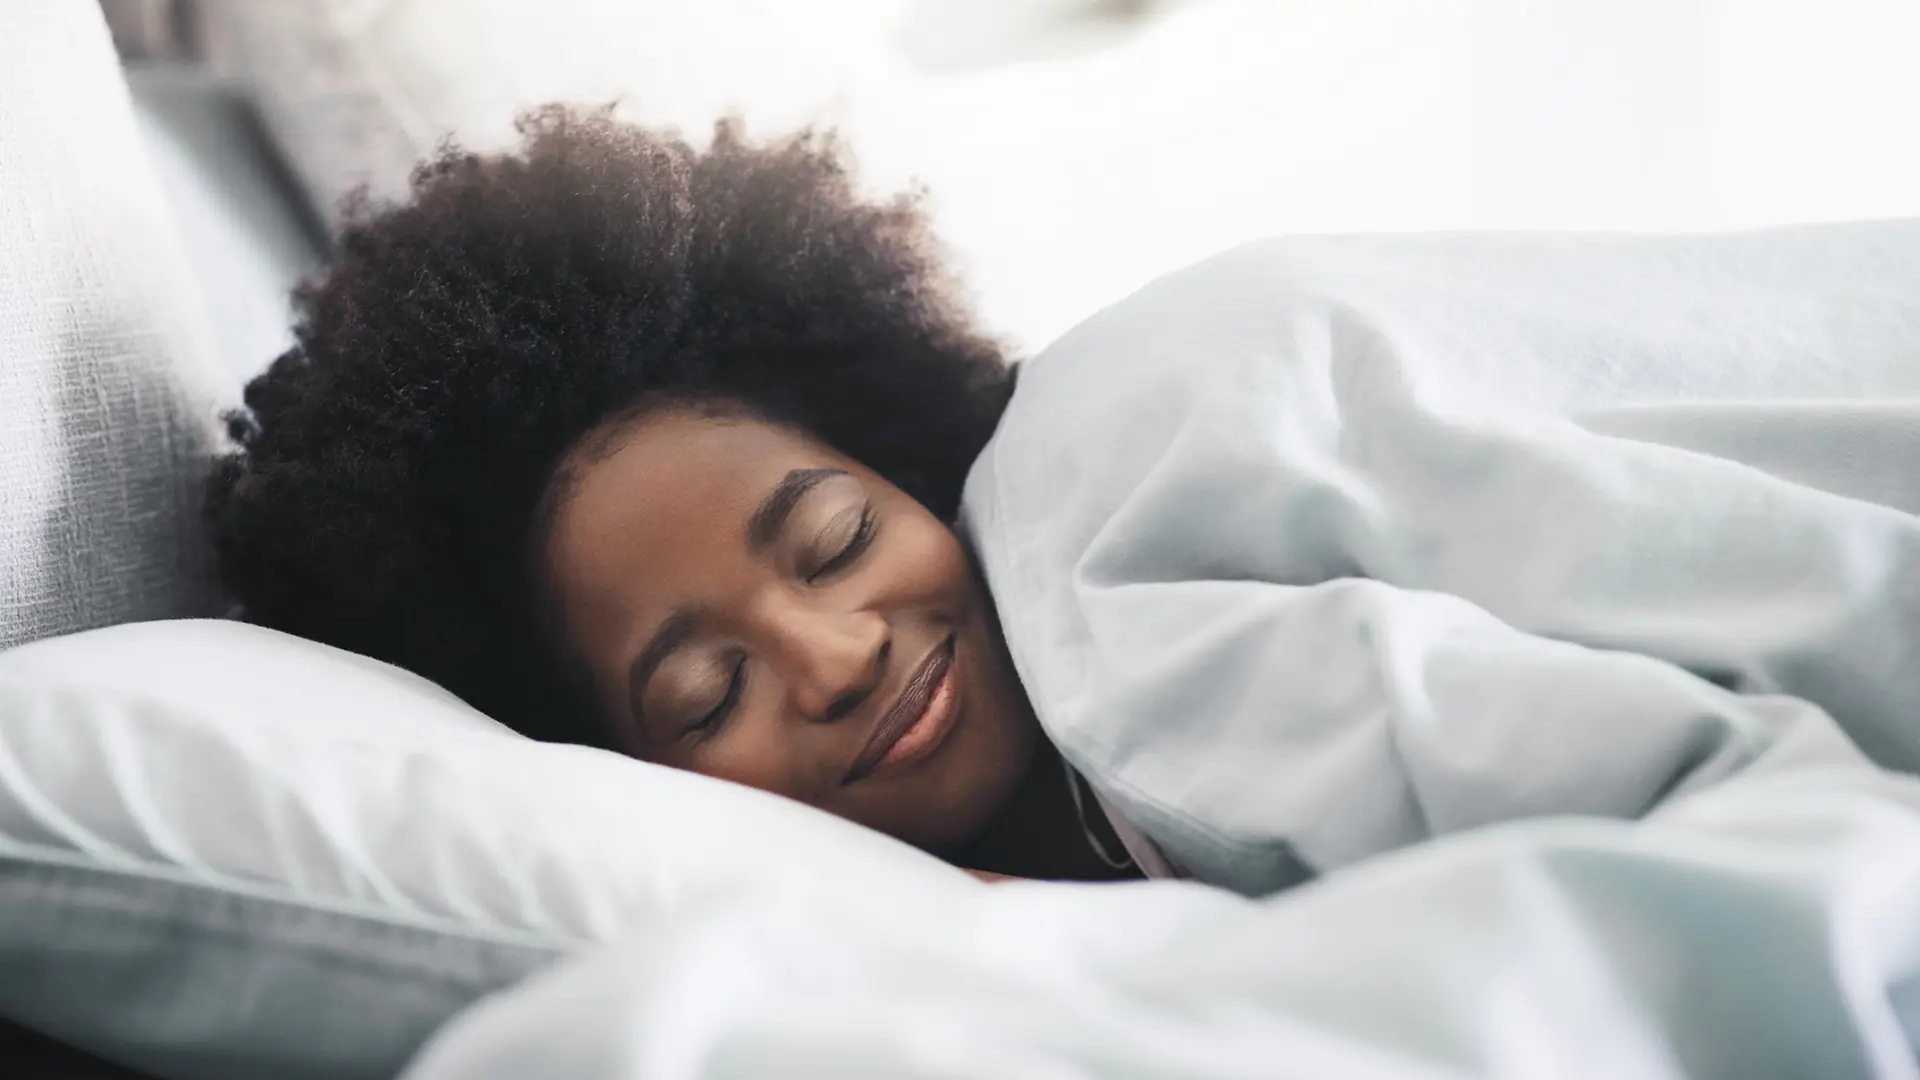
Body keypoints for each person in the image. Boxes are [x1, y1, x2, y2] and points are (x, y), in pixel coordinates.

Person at [209, 105, 1914, 894]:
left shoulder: (1110, 541)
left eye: (833, 537)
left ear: (910, 452)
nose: (834, 651)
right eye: (704, 691)